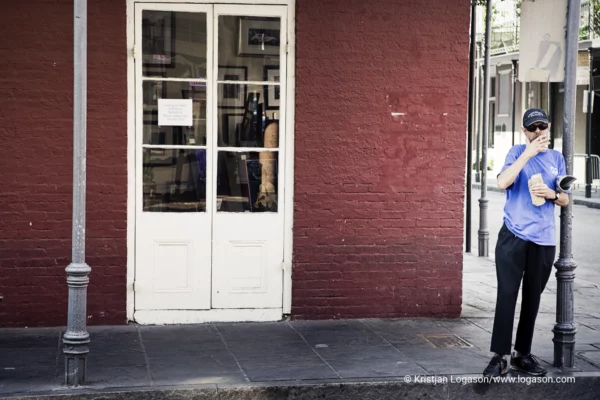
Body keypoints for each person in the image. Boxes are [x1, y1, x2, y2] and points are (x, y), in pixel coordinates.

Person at [483, 108, 570, 377]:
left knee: (532, 298)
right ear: (524, 131)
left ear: (549, 128)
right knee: (507, 295)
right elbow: (502, 182)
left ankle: (523, 354)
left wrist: (552, 193)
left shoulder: (557, 158)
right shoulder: (516, 153)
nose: (538, 132)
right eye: (532, 128)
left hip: (543, 240)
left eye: (542, 127)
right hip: (513, 235)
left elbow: (566, 198)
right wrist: (528, 154)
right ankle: (500, 356)